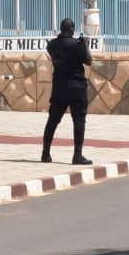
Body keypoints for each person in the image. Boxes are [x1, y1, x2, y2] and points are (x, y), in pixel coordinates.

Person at [41, 17, 93, 165]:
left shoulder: (52, 45)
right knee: (78, 120)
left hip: (59, 87)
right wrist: (86, 45)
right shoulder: (77, 44)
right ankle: (77, 155)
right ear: (71, 29)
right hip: (76, 86)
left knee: (53, 120)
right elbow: (88, 61)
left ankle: (45, 153)